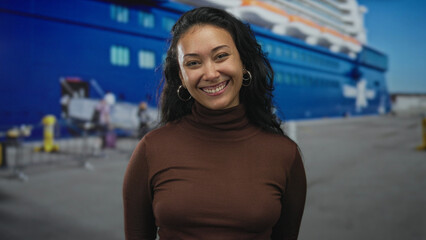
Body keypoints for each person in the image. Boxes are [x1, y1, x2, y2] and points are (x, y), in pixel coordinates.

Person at [123, 7, 307, 239]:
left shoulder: (284, 154)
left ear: (244, 61)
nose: (210, 73)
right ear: (182, 76)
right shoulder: (152, 149)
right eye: (193, 63)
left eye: (221, 56)